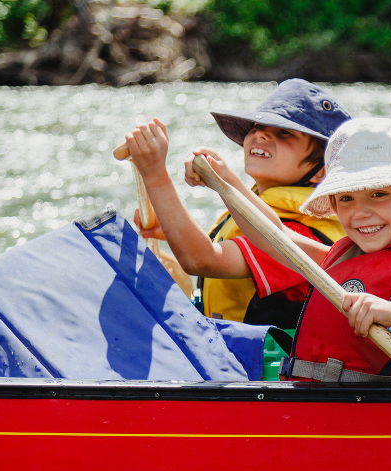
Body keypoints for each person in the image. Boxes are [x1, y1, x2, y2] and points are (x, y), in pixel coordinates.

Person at [193, 117, 391, 382]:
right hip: (318, 416)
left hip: (377, 427)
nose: (360, 213)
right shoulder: (352, 255)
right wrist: (223, 182)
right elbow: (272, 236)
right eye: (346, 199)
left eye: (379, 194)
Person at [123, 79, 351, 379]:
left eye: (284, 133)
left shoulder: (299, 229)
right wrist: (168, 229)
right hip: (229, 360)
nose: (260, 134)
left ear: (320, 169)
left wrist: (155, 172)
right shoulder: (266, 212)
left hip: (257, 374)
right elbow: (221, 248)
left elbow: (201, 259)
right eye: (256, 126)